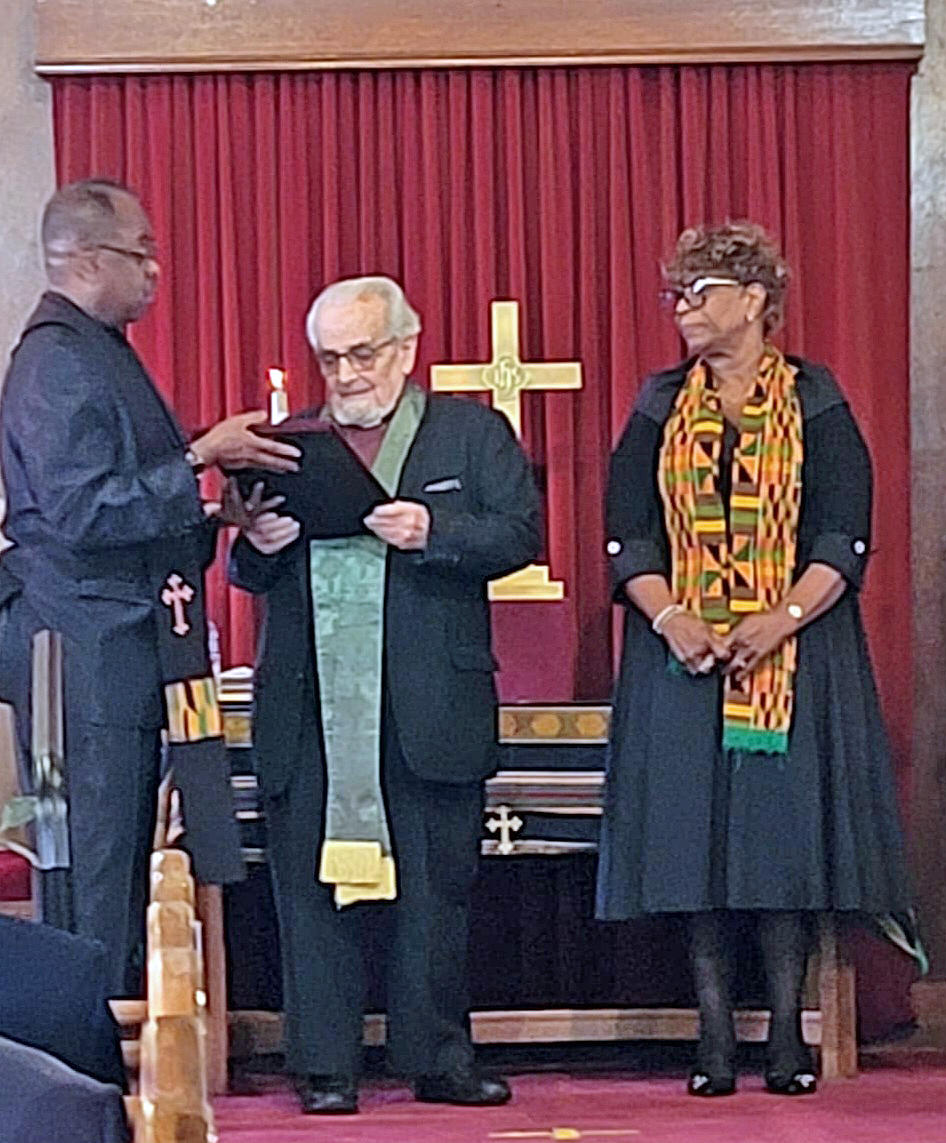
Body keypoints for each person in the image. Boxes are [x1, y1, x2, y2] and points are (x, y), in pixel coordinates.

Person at [595, 222, 914, 1097]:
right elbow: (626, 531)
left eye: (701, 292)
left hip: (795, 655)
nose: (685, 310)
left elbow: (845, 532)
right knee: (696, 844)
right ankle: (711, 1041)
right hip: (684, 659)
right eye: (679, 295)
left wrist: (779, 619)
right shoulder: (660, 400)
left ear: (757, 303)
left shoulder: (817, 400)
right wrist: (668, 618)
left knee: (779, 844)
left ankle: (784, 1038)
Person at [229, 275, 540, 1114]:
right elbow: (244, 568)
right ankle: (324, 1065)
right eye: (330, 358)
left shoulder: (471, 436)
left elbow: (520, 534)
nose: (346, 374)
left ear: (406, 348)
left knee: (437, 888)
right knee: (309, 890)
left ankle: (437, 1056)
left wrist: (435, 531)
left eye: (362, 353)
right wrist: (259, 541)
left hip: (429, 704)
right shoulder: (289, 444)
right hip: (311, 707)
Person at [0, 178, 300, 995]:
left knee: (133, 862)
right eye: (144, 253)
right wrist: (201, 455)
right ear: (89, 260)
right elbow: (81, 513)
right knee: (94, 871)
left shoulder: (99, 350)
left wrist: (215, 515)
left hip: (128, 644)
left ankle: (124, 1038)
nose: (157, 270)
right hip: (83, 655)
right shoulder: (55, 362)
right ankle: (82, 1065)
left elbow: (127, 512)